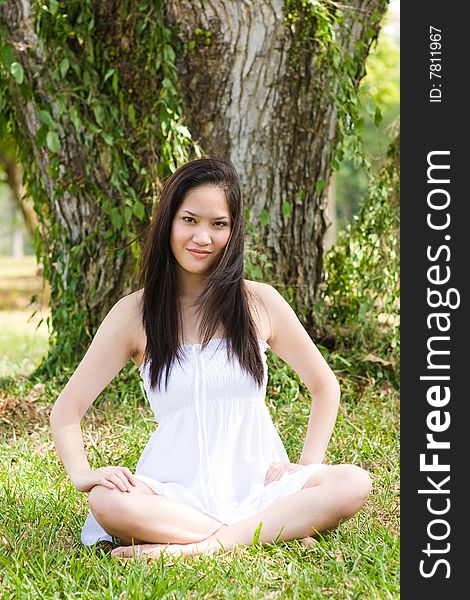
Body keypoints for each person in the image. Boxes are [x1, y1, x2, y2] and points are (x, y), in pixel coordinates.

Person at [49, 157, 372, 561]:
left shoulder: (259, 302)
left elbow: (325, 386)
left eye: (218, 224)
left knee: (354, 482)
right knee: (108, 503)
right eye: (190, 220)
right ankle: (275, 530)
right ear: (168, 221)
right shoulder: (135, 315)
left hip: (258, 484)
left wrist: (304, 468)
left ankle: (201, 548)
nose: (202, 236)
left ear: (233, 231)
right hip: (175, 492)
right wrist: (82, 475)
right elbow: (66, 412)